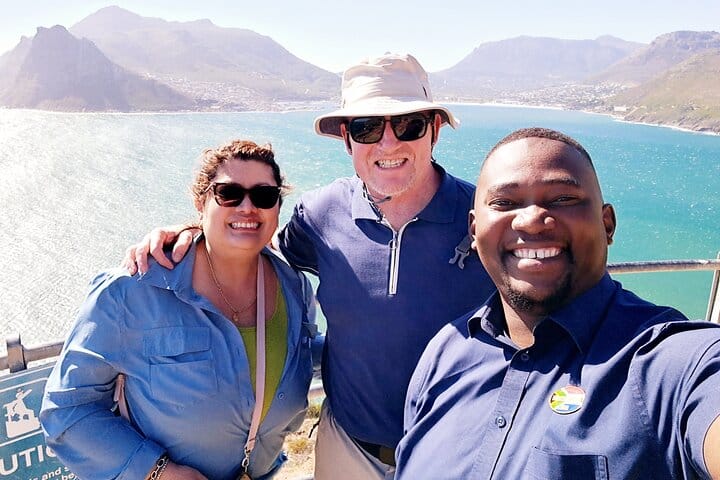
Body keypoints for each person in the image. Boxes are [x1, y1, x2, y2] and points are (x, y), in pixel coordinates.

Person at [122, 53, 495, 479]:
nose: (388, 144)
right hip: (349, 449)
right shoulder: (321, 213)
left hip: (457, 455)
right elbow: (254, 245)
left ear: (435, 130)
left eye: (408, 125)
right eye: (367, 127)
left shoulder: (487, 218)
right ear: (347, 139)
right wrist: (196, 230)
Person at [395, 127, 720, 479]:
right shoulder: (445, 353)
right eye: (504, 203)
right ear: (474, 232)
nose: (532, 221)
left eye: (563, 198)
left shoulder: (671, 364)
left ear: (607, 225)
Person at [40, 140, 318, 480]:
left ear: (276, 207)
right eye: (229, 193)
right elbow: (67, 411)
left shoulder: (294, 288)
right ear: (201, 203)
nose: (247, 207)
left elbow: (307, 354)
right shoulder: (132, 289)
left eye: (264, 195)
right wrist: (158, 471)